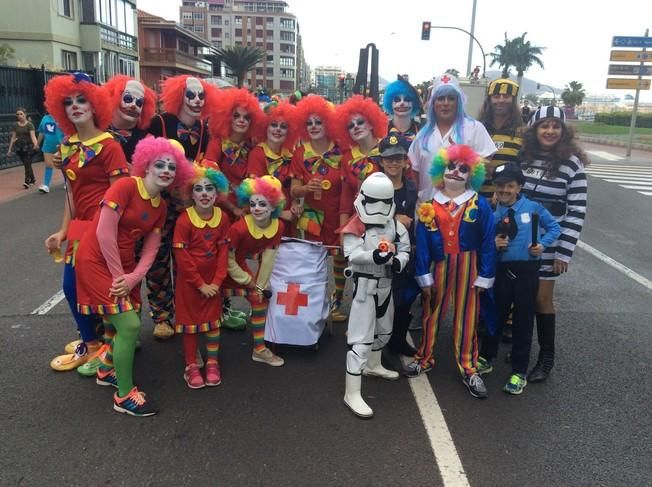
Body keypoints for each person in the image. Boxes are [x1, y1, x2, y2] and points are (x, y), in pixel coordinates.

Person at [75, 137, 193, 416]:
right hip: (96, 261)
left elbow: (152, 248)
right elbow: (104, 232)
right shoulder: (125, 186)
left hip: (125, 268)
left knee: (131, 316)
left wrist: (134, 277)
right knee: (128, 325)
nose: (165, 170)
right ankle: (124, 396)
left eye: (171, 167)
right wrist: (120, 277)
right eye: (159, 164)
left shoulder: (161, 207)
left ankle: (106, 371)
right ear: (146, 165)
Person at [43, 72, 128, 372]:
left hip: (104, 227)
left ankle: (104, 342)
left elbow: (122, 195)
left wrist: (109, 232)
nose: (76, 106)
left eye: (82, 100)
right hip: (81, 226)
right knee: (72, 287)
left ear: (95, 106)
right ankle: (92, 342)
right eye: (68, 102)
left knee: (95, 288)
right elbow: (70, 194)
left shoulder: (110, 147)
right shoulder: (67, 147)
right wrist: (63, 231)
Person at [405, 145, 495, 400]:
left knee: (467, 317)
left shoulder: (481, 204)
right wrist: (423, 274)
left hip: (469, 264)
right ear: (440, 171)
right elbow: (422, 242)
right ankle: (424, 357)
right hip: (439, 265)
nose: (455, 172)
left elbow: (488, 241)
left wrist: (486, 274)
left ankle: (468, 367)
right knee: (431, 312)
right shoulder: (430, 205)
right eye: (451, 167)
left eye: (463, 169)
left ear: (472, 175)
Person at [476, 162, 560, 394]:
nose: (504, 191)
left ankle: (519, 370)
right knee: (496, 314)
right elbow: (482, 240)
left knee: (523, 320)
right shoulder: (492, 212)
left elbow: (554, 228)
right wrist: (493, 244)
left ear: (519, 186)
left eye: (510, 186)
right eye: (500, 186)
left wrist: (541, 245)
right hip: (501, 269)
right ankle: (487, 356)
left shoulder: (533, 208)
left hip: (526, 270)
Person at [519, 106, 588, 383]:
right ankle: (521, 350)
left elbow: (577, 211)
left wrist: (564, 251)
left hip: (549, 244)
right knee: (521, 296)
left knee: (541, 299)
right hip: (519, 242)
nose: (550, 131)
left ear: (564, 131)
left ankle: (546, 357)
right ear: (534, 129)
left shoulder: (572, 164)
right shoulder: (524, 158)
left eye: (555, 126)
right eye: (544, 125)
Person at [146, 75, 214, 340]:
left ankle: (188, 311)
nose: (197, 101)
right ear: (179, 96)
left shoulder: (203, 130)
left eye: (201, 96)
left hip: (188, 206)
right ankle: (162, 316)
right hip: (158, 205)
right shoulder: (159, 123)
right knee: (157, 260)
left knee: (187, 259)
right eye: (191, 95)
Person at [340, 172, 410, 418]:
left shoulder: (394, 225)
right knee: (361, 340)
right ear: (363, 198)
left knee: (384, 332)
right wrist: (374, 257)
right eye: (373, 201)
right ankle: (352, 392)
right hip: (364, 288)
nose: (378, 208)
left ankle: (374, 365)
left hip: (386, 285)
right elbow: (351, 254)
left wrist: (397, 261)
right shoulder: (356, 224)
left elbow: (405, 249)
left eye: (384, 202)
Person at [173, 164, 231, 389]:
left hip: (213, 283)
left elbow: (224, 252)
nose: (205, 193)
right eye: (199, 189)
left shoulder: (223, 217)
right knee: (190, 324)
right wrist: (200, 284)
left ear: (217, 193)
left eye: (209, 189)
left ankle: (213, 362)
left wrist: (216, 281)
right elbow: (182, 256)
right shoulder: (184, 220)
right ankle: (191, 366)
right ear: (191, 193)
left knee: (213, 322)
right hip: (189, 284)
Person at [290, 95, 347, 322]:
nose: (313, 126)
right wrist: (304, 188)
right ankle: (316, 301)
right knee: (315, 261)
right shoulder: (300, 153)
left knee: (341, 259)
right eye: (309, 123)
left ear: (328, 123)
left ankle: (339, 300)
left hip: (338, 213)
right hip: (313, 215)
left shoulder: (341, 150)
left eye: (318, 122)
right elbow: (293, 189)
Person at [222, 176, 286, 367]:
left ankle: (259, 349)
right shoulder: (239, 228)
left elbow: (268, 257)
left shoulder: (279, 226)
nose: (256, 208)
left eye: (262, 204)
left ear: (273, 207)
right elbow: (227, 258)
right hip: (221, 269)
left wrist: (260, 285)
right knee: (209, 307)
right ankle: (201, 355)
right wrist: (247, 279)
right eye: (252, 204)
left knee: (259, 299)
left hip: (239, 266)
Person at [409, 74, 496, 201]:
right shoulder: (422, 136)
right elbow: (414, 175)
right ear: (433, 103)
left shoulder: (474, 128)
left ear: (458, 102)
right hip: (426, 211)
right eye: (440, 98)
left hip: (462, 211)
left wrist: (463, 159)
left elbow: (486, 165)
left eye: (451, 98)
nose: (445, 103)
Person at [376, 134, 419, 356]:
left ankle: (398, 341)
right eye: (388, 159)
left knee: (404, 300)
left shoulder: (412, 188)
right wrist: (394, 220)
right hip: (380, 254)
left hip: (405, 254)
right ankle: (377, 349)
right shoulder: (373, 186)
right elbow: (364, 219)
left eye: (398, 158)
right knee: (381, 302)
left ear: (405, 160)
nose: (393, 163)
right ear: (381, 161)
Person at [205, 87, 265, 219]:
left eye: (247, 117)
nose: (242, 120)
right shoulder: (217, 144)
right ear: (227, 117)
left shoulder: (252, 145)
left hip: (248, 209)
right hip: (222, 210)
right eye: (236, 115)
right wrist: (233, 208)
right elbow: (209, 177)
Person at [247, 100, 301, 235]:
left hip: (289, 222)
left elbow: (293, 188)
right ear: (265, 127)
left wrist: (295, 204)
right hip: (266, 222)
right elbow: (254, 195)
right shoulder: (257, 154)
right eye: (273, 125)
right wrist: (281, 213)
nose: (278, 129)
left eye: (283, 126)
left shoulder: (290, 154)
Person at [337, 95, 388, 225]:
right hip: (357, 222)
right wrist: (343, 233)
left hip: (386, 220)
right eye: (350, 125)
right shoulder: (348, 158)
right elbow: (346, 200)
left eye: (360, 122)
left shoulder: (387, 150)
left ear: (371, 124)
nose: (356, 127)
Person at [477, 78, 524, 199]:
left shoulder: (522, 133)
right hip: (476, 200)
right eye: (497, 96)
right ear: (490, 100)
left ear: (513, 100)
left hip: (506, 201)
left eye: (506, 96)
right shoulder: (477, 129)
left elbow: (524, 171)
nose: (501, 100)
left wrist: (495, 171)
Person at [105, 75, 157, 163]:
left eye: (139, 103)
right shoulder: (97, 130)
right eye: (128, 99)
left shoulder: (147, 141)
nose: (133, 105)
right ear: (114, 99)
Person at [7, 107, 39, 189]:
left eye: (21, 114)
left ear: (25, 114)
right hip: (19, 147)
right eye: (18, 114)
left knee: (27, 163)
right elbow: (13, 137)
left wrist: (36, 144)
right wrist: (10, 149)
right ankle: (33, 179)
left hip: (29, 147)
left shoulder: (29, 125)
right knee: (27, 164)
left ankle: (26, 181)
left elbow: (33, 136)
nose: (19, 116)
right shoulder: (15, 125)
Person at [382, 77, 422, 141]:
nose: (402, 103)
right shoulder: (381, 129)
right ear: (390, 104)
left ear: (414, 103)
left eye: (407, 99)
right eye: (397, 100)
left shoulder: (422, 130)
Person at [36, 110, 64, 193]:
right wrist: (37, 144)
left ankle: (67, 182)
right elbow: (41, 132)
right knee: (48, 164)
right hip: (48, 145)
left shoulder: (62, 118)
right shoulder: (45, 118)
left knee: (63, 165)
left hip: (61, 145)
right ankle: (46, 185)